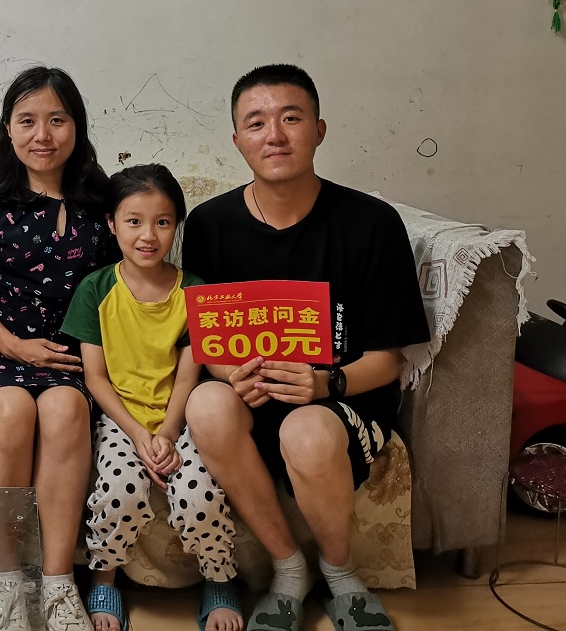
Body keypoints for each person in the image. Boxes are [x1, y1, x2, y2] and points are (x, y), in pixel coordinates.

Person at [181, 64, 430, 631]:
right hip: (252, 398)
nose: (274, 135)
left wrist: (324, 383)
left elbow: (388, 359)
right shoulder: (210, 224)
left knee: (306, 430)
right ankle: (288, 569)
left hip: (342, 400)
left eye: (291, 118)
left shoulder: (372, 223)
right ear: (237, 140)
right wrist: (228, 373)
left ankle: (341, 576)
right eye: (256, 123)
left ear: (319, 130)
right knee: (207, 404)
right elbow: (204, 339)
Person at [0, 66, 117, 631]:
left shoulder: (103, 201)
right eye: (27, 121)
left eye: (57, 120)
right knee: (10, 411)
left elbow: (120, 292)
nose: (42, 135)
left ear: (77, 126)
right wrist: (18, 348)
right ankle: (5, 579)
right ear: (8, 128)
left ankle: (58, 581)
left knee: (66, 410)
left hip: (73, 358)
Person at [62, 164, 242, 631]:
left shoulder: (195, 291)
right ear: (111, 224)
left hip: (182, 419)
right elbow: (95, 378)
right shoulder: (95, 289)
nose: (148, 235)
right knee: (117, 491)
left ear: (176, 225)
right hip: (121, 421)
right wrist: (140, 435)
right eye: (134, 221)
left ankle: (219, 578)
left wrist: (166, 432)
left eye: (162, 222)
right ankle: (104, 580)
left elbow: (186, 379)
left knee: (202, 494)